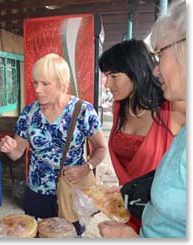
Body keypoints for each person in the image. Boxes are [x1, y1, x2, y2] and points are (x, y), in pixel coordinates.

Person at [98, 0, 186, 238]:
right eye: (105, 76)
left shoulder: (172, 110)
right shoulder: (118, 109)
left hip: (155, 222)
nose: (107, 84)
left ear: (139, 72)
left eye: (114, 76)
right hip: (127, 209)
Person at [0, 53, 107, 236]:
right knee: (37, 234)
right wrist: (9, 148)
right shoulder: (29, 112)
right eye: (35, 83)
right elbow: (17, 152)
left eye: (45, 84)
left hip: (70, 190)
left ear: (61, 83)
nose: (38, 89)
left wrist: (86, 167)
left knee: (70, 235)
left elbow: (101, 149)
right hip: (36, 191)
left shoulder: (82, 111)